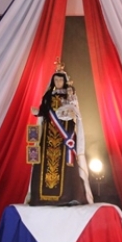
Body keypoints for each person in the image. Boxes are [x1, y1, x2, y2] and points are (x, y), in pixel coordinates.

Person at [27, 60, 93, 206]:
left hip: (65, 137)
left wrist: (69, 113)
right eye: (56, 80)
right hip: (48, 137)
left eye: (60, 80)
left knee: (66, 166)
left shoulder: (70, 96)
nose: (58, 82)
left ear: (64, 81)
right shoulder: (47, 97)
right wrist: (38, 112)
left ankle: (67, 196)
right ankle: (41, 196)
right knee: (44, 164)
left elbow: (75, 114)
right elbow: (43, 113)